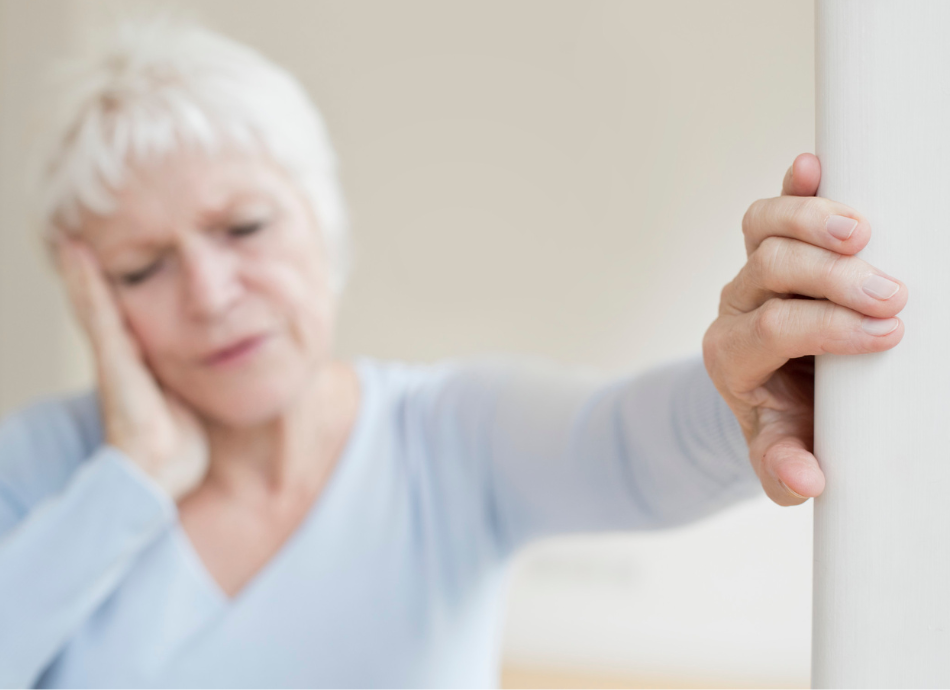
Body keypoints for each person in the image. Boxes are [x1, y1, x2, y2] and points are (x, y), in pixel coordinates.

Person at [0, 18, 907, 689]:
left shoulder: (444, 438)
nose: (208, 292)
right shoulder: (38, 468)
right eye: (141, 267)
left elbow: (625, 443)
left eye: (242, 226)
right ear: (92, 301)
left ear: (322, 224)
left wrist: (748, 381)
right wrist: (134, 477)